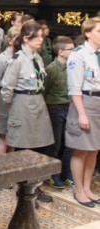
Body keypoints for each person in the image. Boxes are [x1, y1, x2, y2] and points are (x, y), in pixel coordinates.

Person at [0, 20, 54, 203]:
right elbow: (7, 88)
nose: (41, 40)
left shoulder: (37, 58)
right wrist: (13, 108)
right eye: (36, 37)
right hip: (22, 102)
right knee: (24, 149)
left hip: (38, 101)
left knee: (38, 147)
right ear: (25, 38)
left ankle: (34, 186)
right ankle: (24, 190)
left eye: (42, 36)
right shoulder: (17, 59)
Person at [65, 17, 100, 207]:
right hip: (85, 103)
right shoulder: (78, 55)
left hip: (98, 103)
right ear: (87, 33)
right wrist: (82, 114)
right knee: (81, 149)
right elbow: (74, 88)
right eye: (99, 31)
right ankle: (78, 189)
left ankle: (87, 187)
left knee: (94, 149)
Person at [44, 36, 75, 189]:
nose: (74, 52)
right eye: (71, 49)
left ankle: (66, 173)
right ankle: (51, 175)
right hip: (55, 109)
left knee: (69, 143)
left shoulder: (72, 67)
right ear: (61, 52)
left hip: (69, 107)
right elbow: (44, 91)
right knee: (55, 144)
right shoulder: (51, 69)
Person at [0, 27, 20, 156]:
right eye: (17, 38)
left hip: (16, 102)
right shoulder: (2, 59)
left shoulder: (20, 57)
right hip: (3, 103)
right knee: (4, 138)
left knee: (13, 139)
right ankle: (1, 164)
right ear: (10, 40)